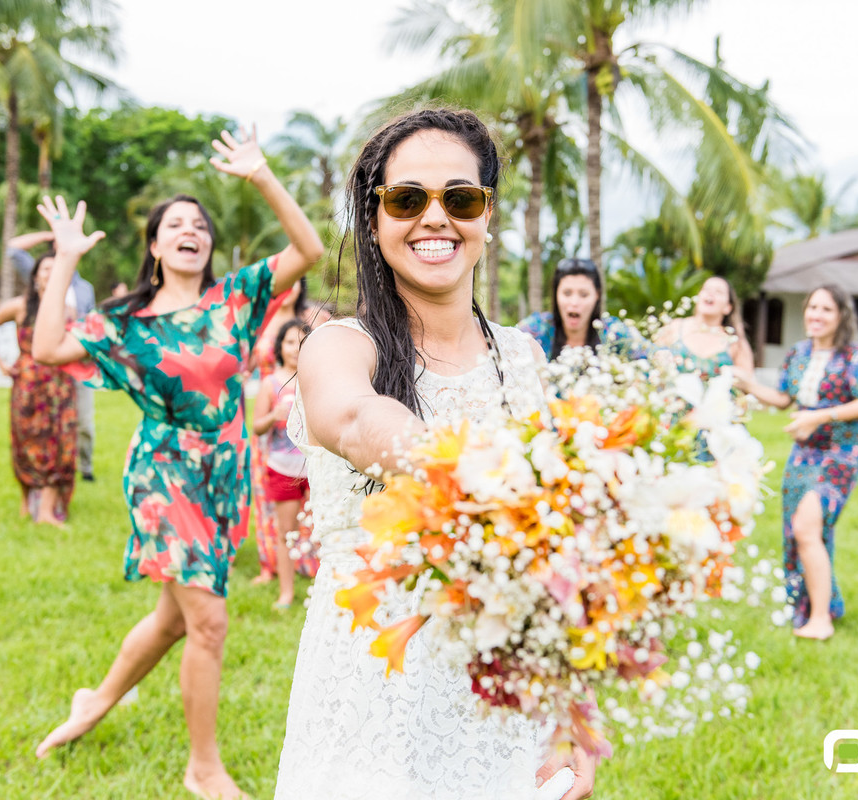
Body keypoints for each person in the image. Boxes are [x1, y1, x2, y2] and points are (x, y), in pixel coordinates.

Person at [274, 108, 596, 800]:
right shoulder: (340, 344)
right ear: (373, 217)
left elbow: (559, 556)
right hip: (372, 686)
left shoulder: (526, 359)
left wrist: (574, 716)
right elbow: (356, 420)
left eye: (460, 198)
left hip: (502, 690)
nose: (435, 218)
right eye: (407, 198)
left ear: (487, 214)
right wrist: (487, 480)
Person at [29, 127, 325, 800]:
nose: (190, 230)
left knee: (174, 617)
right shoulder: (127, 325)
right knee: (210, 620)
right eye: (175, 224)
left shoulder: (237, 300)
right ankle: (203, 767)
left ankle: (95, 700)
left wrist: (261, 176)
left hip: (223, 474)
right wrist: (68, 259)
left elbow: (306, 250)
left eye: (200, 224)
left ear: (208, 244)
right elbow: (48, 346)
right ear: (156, 246)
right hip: (164, 474)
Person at [734, 285, 858, 640]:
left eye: (826, 310)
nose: (816, 315)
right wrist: (748, 384)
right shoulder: (799, 354)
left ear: (841, 317)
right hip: (802, 455)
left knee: (806, 528)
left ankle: (820, 619)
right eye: (812, 307)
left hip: (840, 454)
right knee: (802, 533)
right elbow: (783, 398)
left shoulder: (854, 357)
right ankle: (819, 604)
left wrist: (819, 417)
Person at [0, 251, 77, 526]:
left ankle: (46, 511)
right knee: (26, 442)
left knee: (58, 443)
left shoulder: (68, 311)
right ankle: (26, 502)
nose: (50, 273)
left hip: (59, 386)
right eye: (45, 269)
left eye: (55, 269)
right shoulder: (20, 306)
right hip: (28, 383)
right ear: (35, 277)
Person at [248, 276, 328, 587]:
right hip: (272, 410)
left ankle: (309, 561)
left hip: (306, 406)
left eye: (294, 281)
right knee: (270, 496)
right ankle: (272, 562)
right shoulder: (260, 321)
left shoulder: (313, 317)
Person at [10, 231, 98, 482]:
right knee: (45, 426)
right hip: (43, 370)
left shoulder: (83, 289)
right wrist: (52, 233)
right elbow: (13, 248)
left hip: (76, 366)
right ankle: (45, 476)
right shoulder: (42, 272)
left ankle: (83, 467)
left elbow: (91, 325)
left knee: (82, 422)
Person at [251, 318, 311, 610]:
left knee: (326, 530)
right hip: (283, 469)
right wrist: (273, 415)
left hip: (315, 469)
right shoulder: (271, 383)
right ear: (280, 346)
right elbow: (256, 426)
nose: (295, 349)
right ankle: (286, 593)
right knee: (286, 533)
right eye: (289, 341)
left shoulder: (317, 381)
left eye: (302, 342)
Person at [516, 257, 644, 361]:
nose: (574, 302)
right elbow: (501, 344)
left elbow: (651, 356)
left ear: (597, 295)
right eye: (567, 293)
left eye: (584, 294)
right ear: (556, 294)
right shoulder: (536, 329)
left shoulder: (613, 332)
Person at [656, 275, 755, 379]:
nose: (710, 293)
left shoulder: (735, 342)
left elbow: (749, 382)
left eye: (718, 292)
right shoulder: (674, 326)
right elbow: (651, 359)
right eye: (706, 289)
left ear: (728, 307)